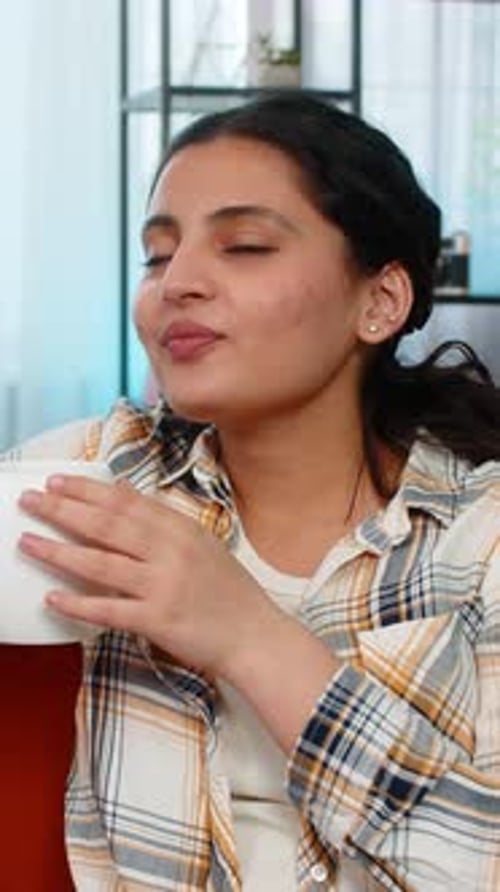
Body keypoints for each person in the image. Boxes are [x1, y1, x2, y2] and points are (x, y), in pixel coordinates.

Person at [15, 91, 500, 891]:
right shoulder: (101, 476)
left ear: (380, 301)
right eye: (159, 255)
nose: (179, 284)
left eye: (243, 246)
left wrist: (247, 635)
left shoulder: (475, 535)